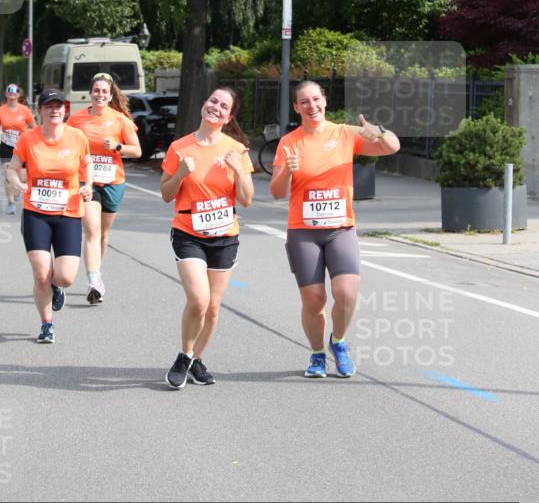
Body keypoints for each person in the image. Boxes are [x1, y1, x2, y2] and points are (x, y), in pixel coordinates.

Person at [269, 81, 400, 379]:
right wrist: (288, 169)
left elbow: (392, 146)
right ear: (296, 107)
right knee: (314, 300)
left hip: (340, 228)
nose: (311, 105)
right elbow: (277, 192)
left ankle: (338, 342)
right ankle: (317, 354)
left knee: (347, 293)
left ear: (325, 101)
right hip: (304, 231)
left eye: (316, 99)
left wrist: (378, 131)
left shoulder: (344, 133)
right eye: (304, 101)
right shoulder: (289, 142)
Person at [160, 87, 254, 389]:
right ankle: (184, 355)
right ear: (204, 105)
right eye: (212, 100)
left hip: (225, 236)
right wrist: (180, 175)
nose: (216, 107)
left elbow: (247, 199)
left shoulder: (236, 150)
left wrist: (238, 170)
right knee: (199, 300)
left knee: (213, 306)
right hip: (188, 232)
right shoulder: (180, 147)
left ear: (229, 117)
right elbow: (166, 194)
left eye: (223, 105)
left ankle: (196, 359)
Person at [6, 89, 93, 344]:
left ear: (64, 110)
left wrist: (89, 185)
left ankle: (58, 287)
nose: (54, 110)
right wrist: (15, 182)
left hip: (68, 212)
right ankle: (46, 324)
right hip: (36, 213)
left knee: (65, 276)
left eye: (58, 106)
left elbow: (88, 165)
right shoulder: (27, 138)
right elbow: (13, 169)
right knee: (41, 272)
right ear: (40, 111)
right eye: (48, 106)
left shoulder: (77, 137)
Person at [67, 72, 141, 303]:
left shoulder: (120, 120)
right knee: (91, 229)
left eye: (104, 92)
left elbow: (137, 151)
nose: (100, 95)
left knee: (103, 234)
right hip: (86, 182)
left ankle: (96, 272)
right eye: (96, 91)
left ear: (110, 96)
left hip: (113, 182)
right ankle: (94, 282)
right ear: (90, 94)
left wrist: (118, 146)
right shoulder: (76, 120)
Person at [0, 84, 35, 214]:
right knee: (9, 175)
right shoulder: (0, 111)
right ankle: (11, 203)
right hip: (6, 146)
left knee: (22, 177)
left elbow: (34, 127)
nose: (12, 93)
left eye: (15, 91)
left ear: (19, 94)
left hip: (22, 146)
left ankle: (17, 188)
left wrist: (27, 136)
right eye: (9, 90)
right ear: (6, 94)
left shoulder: (25, 110)